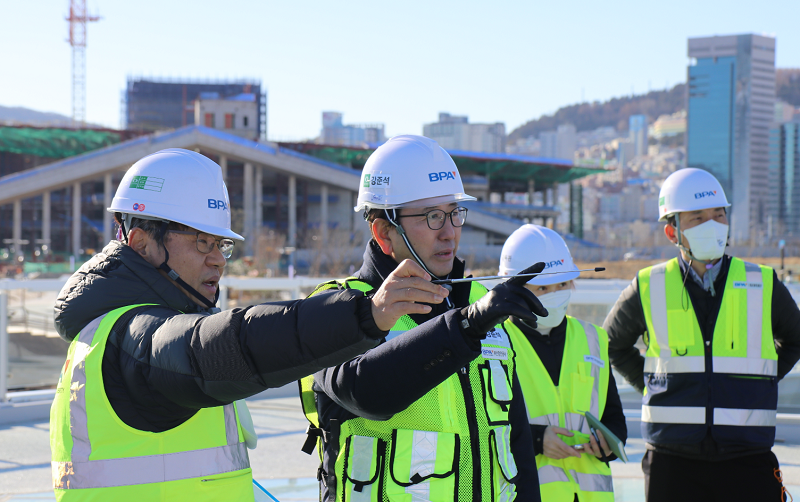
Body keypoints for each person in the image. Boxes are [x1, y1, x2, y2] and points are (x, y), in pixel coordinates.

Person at [50, 148, 432, 501]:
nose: (218, 260)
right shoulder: (130, 339)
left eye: (222, 245)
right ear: (141, 244)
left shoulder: (112, 334)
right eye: (202, 242)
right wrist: (366, 314)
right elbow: (230, 343)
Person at [299, 135, 547, 501]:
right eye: (433, 217)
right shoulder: (333, 307)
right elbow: (366, 391)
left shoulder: (481, 302)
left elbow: (517, 442)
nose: (450, 232)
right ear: (385, 232)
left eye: (454, 212)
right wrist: (467, 326)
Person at [603, 167, 800, 501]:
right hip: (672, 461)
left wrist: (759, 383)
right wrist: (655, 385)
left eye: (719, 215)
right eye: (697, 219)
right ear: (672, 231)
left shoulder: (761, 282)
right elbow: (612, 344)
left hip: (748, 458)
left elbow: (795, 339)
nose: (713, 225)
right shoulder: (649, 285)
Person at [499, 225, 626, 501]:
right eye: (543, 287)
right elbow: (484, 431)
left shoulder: (593, 339)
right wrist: (536, 440)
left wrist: (608, 444)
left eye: (562, 285)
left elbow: (614, 419)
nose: (555, 294)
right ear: (514, 289)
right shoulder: (495, 344)